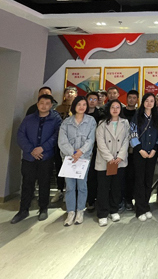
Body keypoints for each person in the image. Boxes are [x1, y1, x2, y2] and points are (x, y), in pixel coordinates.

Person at [11, 95, 62, 224]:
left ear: (51, 105)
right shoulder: (28, 119)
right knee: (27, 184)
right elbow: (20, 135)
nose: (44, 106)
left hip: (46, 156)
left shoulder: (55, 119)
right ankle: (23, 210)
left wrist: (42, 148)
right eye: (42, 103)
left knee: (44, 183)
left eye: (47, 103)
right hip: (29, 157)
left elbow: (57, 135)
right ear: (37, 104)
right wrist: (31, 150)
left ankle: (43, 208)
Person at [58, 96, 96, 226]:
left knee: (82, 186)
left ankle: (80, 210)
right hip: (69, 159)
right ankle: (70, 212)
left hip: (83, 158)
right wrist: (72, 153)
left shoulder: (91, 121)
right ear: (74, 106)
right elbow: (62, 140)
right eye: (79, 104)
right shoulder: (66, 122)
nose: (81, 107)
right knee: (69, 186)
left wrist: (81, 152)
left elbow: (91, 139)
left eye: (84, 104)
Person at [95, 99, 129, 226]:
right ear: (108, 109)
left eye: (118, 107)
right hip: (105, 161)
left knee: (116, 187)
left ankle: (114, 210)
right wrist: (110, 158)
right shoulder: (102, 123)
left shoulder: (125, 123)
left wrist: (120, 157)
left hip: (119, 161)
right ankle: (102, 213)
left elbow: (126, 140)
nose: (115, 110)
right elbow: (100, 142)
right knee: (103, 188)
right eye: (113, 107)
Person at [130, 93, 158, 222]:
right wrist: (139, 149)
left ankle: (146, 206)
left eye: (151, 101)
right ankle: (140, 209)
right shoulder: (137, 115)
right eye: (146, 100)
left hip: (152, 154)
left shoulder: (157, 117)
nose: (149, 103)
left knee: (149, 181)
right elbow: (132, 133)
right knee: (139, 181)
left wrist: (155, 149)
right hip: (139, 153)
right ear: (143, 102)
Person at [52, 86, 77, 203]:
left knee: (72, 168)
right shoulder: (58, 108)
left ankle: (70, 191)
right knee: (60, 167)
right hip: (60, 142)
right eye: (67, 92)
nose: (69, 94)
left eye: (72, 92)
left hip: (74, 144)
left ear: (76, 95)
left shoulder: (78, 107)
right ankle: (60, 190)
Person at [121, 90, 140, 212]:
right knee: (120, 176)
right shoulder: (120, 112)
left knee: (132, 176)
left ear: (137, 100)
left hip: (134, 150)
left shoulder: (139, 113)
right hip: (120, 149)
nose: (132, 100)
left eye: (134, 98)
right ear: (126, 98)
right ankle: (120, 199)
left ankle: (129, 199)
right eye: (130, 97)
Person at [85, 92, 102, 211]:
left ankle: (91, 200)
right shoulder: (80, 112)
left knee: (92, 176)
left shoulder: (100, 115)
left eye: (95, 99)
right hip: (80, 150)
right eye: (90, 99)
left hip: (95, 149)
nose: (92, 101)